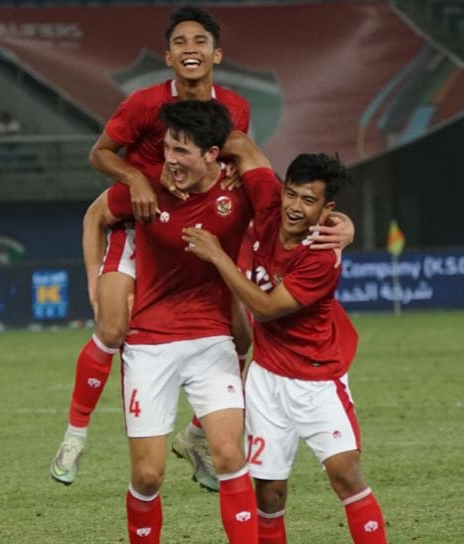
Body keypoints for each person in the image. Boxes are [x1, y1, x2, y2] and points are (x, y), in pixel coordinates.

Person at [50, 3, 250, 490]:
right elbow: (99, 158)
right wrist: (137, 176)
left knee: (244, 337)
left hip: (195, 229)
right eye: (180, 43)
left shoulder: (236, 110)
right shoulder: (144, 104)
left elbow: (240, 165)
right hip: (140, 221)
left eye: (199, 42)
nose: (190, 50)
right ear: (167, 56)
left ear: (216, 54)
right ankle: (75, 435)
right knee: (113, 327)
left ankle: (197, 435)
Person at [182, 132, 387, 543]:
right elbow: (240, 143)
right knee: (269, 493)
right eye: (291, 194)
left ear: (327, 209)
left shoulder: (320, 256)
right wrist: (205, 156)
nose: (295, 207)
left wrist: (218, 254)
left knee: (345, 476)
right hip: (266, 380)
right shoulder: (269, 201)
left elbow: (264, 307)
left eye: (308, 201)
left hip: (317, 382)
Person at [88, 99, 259, 542]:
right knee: (147, 476)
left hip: (211, 340)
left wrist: (342, 228)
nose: (169, 160)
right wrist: (96, 285)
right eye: (167, 148)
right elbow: (95, 217)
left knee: (227, 455)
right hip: (148, 345)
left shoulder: (238, 197)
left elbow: (293, 211)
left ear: (212, 156)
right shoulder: (144, 187)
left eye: (182, 151)